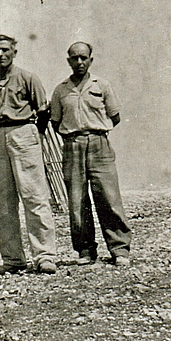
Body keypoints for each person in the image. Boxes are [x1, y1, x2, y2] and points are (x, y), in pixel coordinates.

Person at [50, 41, 131, 267]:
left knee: (109, 197)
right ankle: (85, 250)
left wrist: (94, 131)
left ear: (90, 60)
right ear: (68, 61)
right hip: (72, 145)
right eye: (74, 58)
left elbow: (115, 116)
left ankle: (119, 249)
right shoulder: (61, 90)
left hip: (99, 144)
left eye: (83, 58)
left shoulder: (101, 85)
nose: (79, 62)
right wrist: (75, 136)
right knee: (77, 201)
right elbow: (56, 121)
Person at [0, 35, 57, 275]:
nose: (1, 54)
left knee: (34, 195)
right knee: (3, 201)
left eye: (6, 50)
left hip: (24, 132)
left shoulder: (28, 78)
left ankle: (44, 255)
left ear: (14, 52)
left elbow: (43, 110)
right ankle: (13, 259)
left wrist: (34, 133)